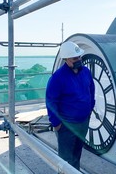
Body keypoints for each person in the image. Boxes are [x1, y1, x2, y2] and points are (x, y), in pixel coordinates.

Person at [46, 41, 95, 171]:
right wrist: (57, 124)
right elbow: (51, 101)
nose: (79, 59)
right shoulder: (58, 78)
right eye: (75, 58)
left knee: (76, 156)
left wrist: (89, 109)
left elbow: (91, 89)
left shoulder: (86, 72)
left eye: (79, 56)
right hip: (66, 126)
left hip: (82, 123)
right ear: (66, 59)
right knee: (65, 160)